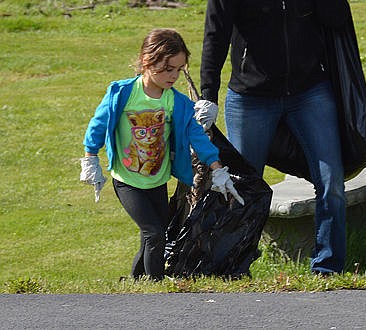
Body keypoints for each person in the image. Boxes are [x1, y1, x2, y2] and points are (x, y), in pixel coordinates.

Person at [197, 0, 352, 275]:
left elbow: (337, 16)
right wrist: (208, 95)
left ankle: (328, 267)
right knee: (242, 185)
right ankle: (235, 264)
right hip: (252, 97)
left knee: (331, 181)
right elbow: (215, 35)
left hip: (309, 91)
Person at [80, 28, 244, 281]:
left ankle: (136, 283)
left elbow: (197, 137)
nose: (174, 76)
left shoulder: (176, 102)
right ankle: (157, 287)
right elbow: (97, 126)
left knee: (155, 235)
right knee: (153, 234)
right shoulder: (122, 94)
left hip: (157, 180)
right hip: (127, 181)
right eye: (168, 69)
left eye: (179, 70)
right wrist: (90, 158)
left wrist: (218, 169)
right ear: (148, 61)